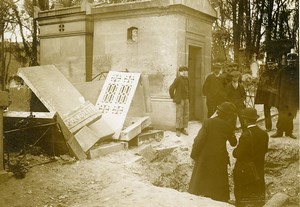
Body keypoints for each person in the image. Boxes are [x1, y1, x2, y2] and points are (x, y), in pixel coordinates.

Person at [188, 102, 237, 203]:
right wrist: (231, 127)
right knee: (218, 185)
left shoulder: (208, 122)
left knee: (199, 182)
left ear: (217, 112)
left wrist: (193, 155)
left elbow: (199, 140)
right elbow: (233, 143)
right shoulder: (228, 126)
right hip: (219, 157)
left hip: (204, 156)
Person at [233, 107, 269, 207]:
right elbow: (265, 150)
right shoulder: (264, 134)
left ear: (245, 120)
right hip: (258, 168)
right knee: (257, 196)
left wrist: (235, 151)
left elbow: (237, 153)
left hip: (245, 170)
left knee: (243, 197)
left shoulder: (246, 135)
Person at [271, 50, 299, 139]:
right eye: (290, 61)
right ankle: (279, 132)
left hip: (294, 98)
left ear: (296, 61)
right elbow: (275, 84)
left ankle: (289, 132)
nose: (291, 63)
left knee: (291, 115)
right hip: (283, 98)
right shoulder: (282, 71)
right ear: (287, 61)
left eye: (293, 62)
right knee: (282, 115)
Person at [254, 58, 279, 131]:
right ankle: (268, 127)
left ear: (275, 64)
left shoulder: (278, 73)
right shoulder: (264, 73)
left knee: (281, 110)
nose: (270, 65)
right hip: (267, 96)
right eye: (269, 64)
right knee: (266, 111)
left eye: (271, 64)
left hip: (276, 95)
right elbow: (261, 84)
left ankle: (280, 126)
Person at [169, 66, 189, 137]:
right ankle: (178, 129)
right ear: (180, 72)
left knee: (186, 114)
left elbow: (188, 89)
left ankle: (183, 128)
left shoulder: (187, 79)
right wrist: (173, 97)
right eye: (182, 71)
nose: (184, 72)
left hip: (186, 99)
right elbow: (171, 88)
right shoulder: (178, 79)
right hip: (180, 99)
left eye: (185, 71)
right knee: (179, 114)